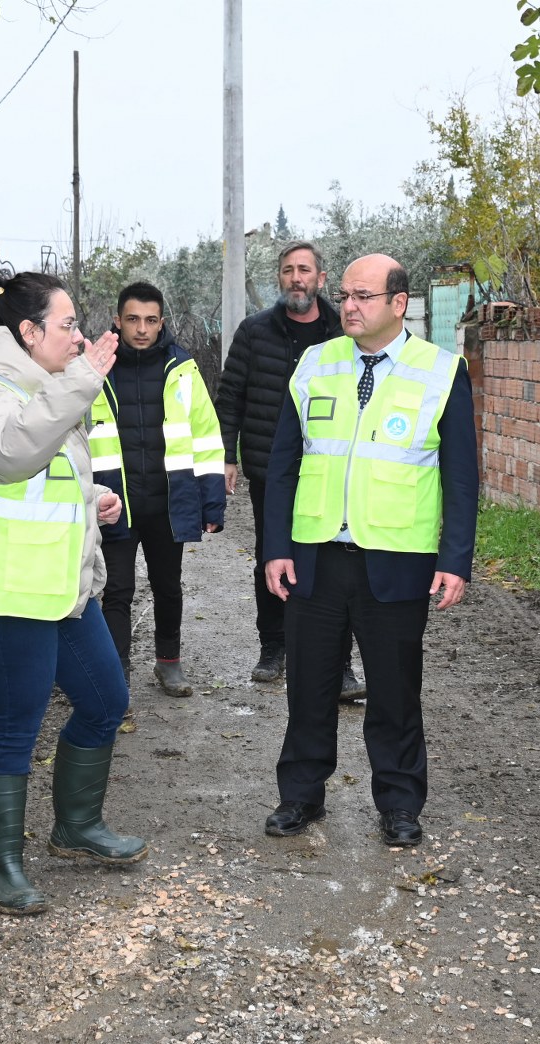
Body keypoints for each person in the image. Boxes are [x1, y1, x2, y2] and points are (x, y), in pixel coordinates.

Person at [0, 270, 147, 916]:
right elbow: (11, 454)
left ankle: (76, 825)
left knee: (105, 700)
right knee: (15, 725)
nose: (78, 337)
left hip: (61, 586)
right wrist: (84, 380)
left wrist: (92, 498)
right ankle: (7, 863)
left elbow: (44, 478)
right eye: (66, 326)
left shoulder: (44, 385)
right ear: (28, 333)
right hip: (6, 592)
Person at [261, 254, 478, 848]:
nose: (348, 306)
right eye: (347, 296)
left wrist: (455, 559)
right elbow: (283, 464)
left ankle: (400, 804)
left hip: (396, 559)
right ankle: (300, 796)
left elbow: (462, 476)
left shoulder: (440, 370)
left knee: (394, 690)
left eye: (363, 296)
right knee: (308, 686)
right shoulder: (316, 363)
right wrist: (275, 546)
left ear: (398, 303)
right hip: (316, 555)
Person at [217, 242, 365, 699]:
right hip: (269, 467)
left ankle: (340, 665)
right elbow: (230, 396)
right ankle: (274, 647)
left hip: (329, 467)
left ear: (322, 279)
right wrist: (227, 456)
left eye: (304, 270)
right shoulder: (254, 332)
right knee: (273, 553)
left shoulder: (342, 335)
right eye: (287, 271)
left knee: (335, 564)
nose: (295, 278)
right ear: (278, 279)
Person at [90, 281, 226, 704]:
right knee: (115, 590)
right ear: (118, 321)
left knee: (169, 586)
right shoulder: (93, 369)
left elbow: (206, 437)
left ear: (162, 322)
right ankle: (117, 672)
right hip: (115, 502)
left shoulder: (183, 370)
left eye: (150, 320)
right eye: (132, 319)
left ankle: (169, 661)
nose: (142, 329)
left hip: (168, 503)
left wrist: (211, 500)